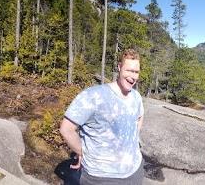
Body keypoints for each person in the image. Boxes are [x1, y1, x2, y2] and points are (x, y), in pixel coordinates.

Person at [59, 49, 145, 184]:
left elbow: (139, 117)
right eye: (129, 70)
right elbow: (66, 129)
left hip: (134, 171)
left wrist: (132, 141)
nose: (132, 76)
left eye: (136, 72)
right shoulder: (93, 96)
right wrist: (82, 152)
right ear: (119, 67)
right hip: (102, 177)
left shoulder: (136, 96)